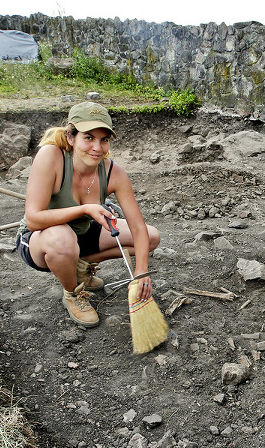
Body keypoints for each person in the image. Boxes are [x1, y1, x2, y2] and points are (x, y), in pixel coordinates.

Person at [15, 102, 160, 326]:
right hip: (41, 240)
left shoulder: (113, 172)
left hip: (81, 235)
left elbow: (138, 228)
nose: (97, 147)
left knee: (151, 237)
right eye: (89, 137)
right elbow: (34, 219)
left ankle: (79, 266)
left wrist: (141, 272)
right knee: (61, 239)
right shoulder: (51, 157)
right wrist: (85, 209)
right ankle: (73, 293)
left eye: (104, 139)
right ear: (71, 138)